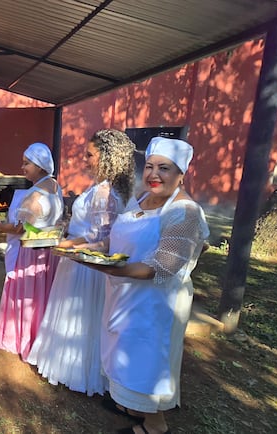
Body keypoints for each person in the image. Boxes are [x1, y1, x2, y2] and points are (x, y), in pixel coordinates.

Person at [88, 137, 209, 434]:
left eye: (164, 168)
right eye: (150, 167)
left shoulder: (184, 211)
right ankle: (129, 404)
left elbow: (162, 266)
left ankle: (155, 425)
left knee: (149, 361)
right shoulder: (141, 199)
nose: (154, 174)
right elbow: (118, 238)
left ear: (181, 173)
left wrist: (104, 267)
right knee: (123, 351)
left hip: (157, 304)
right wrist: (90, 250)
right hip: (124, 294)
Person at [26, 129, 136, 396]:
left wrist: (64, 244)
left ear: (107, 157)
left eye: (89, 155)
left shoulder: (104, 191)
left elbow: (101, 237)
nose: (84, 160)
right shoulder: (107, 188)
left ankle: (79, 370)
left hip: (85, 268)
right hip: (78, 258)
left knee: (82, 318)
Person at [0, 142, 65, 360]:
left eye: (27, 163)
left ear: (40, 166)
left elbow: (18, 228)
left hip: (31, 252)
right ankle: (40, 337)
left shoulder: (33, 195)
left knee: (26, 296)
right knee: (43, 295)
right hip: (49, 253)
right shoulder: (55, 186)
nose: (23, 167)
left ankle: (24, 339)